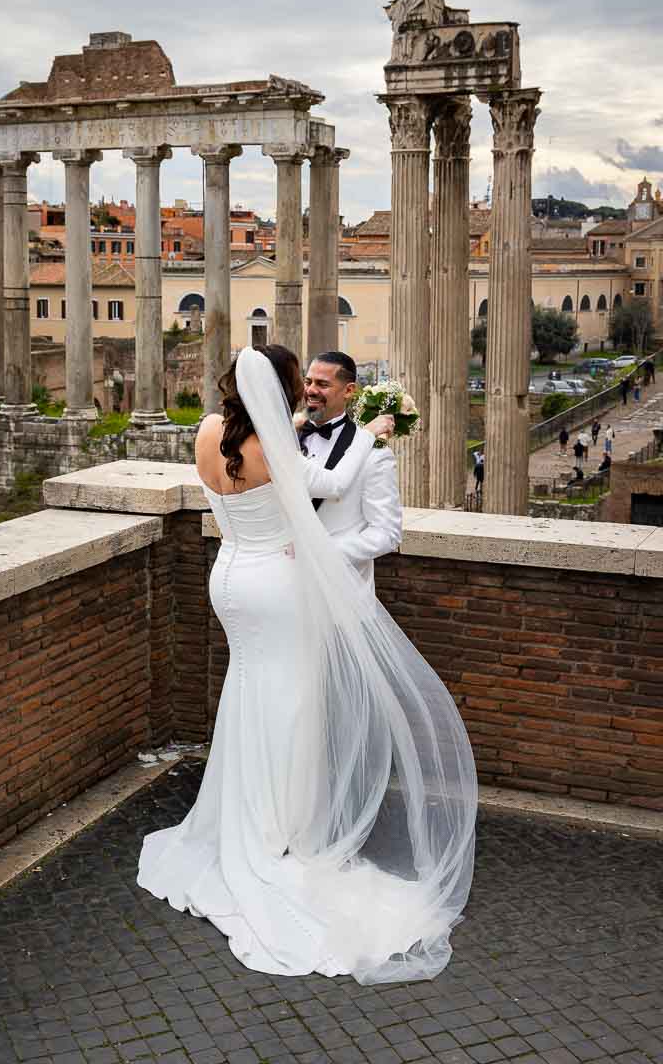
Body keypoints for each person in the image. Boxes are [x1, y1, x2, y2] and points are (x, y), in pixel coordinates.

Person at [137, 344, 477, 984]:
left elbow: (368, 521)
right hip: (278, 586)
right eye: (303, 382)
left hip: (230, 577)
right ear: (287, 388)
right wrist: (374, 434)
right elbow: (325, 485)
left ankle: (247, 816)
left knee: (249, 692)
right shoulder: (285, 448)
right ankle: (278, 830)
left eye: (322, 384)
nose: (310, 392)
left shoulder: (211, 430)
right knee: (290, 703)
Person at [298, 352, 402, 592]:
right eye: (308, 382)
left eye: (323, 384)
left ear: (349, 390)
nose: (311, 390)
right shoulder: (286, 439)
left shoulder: (373, 453)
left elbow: (387, 533)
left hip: (341, 589)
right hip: (285, 584)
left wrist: (325, 555)